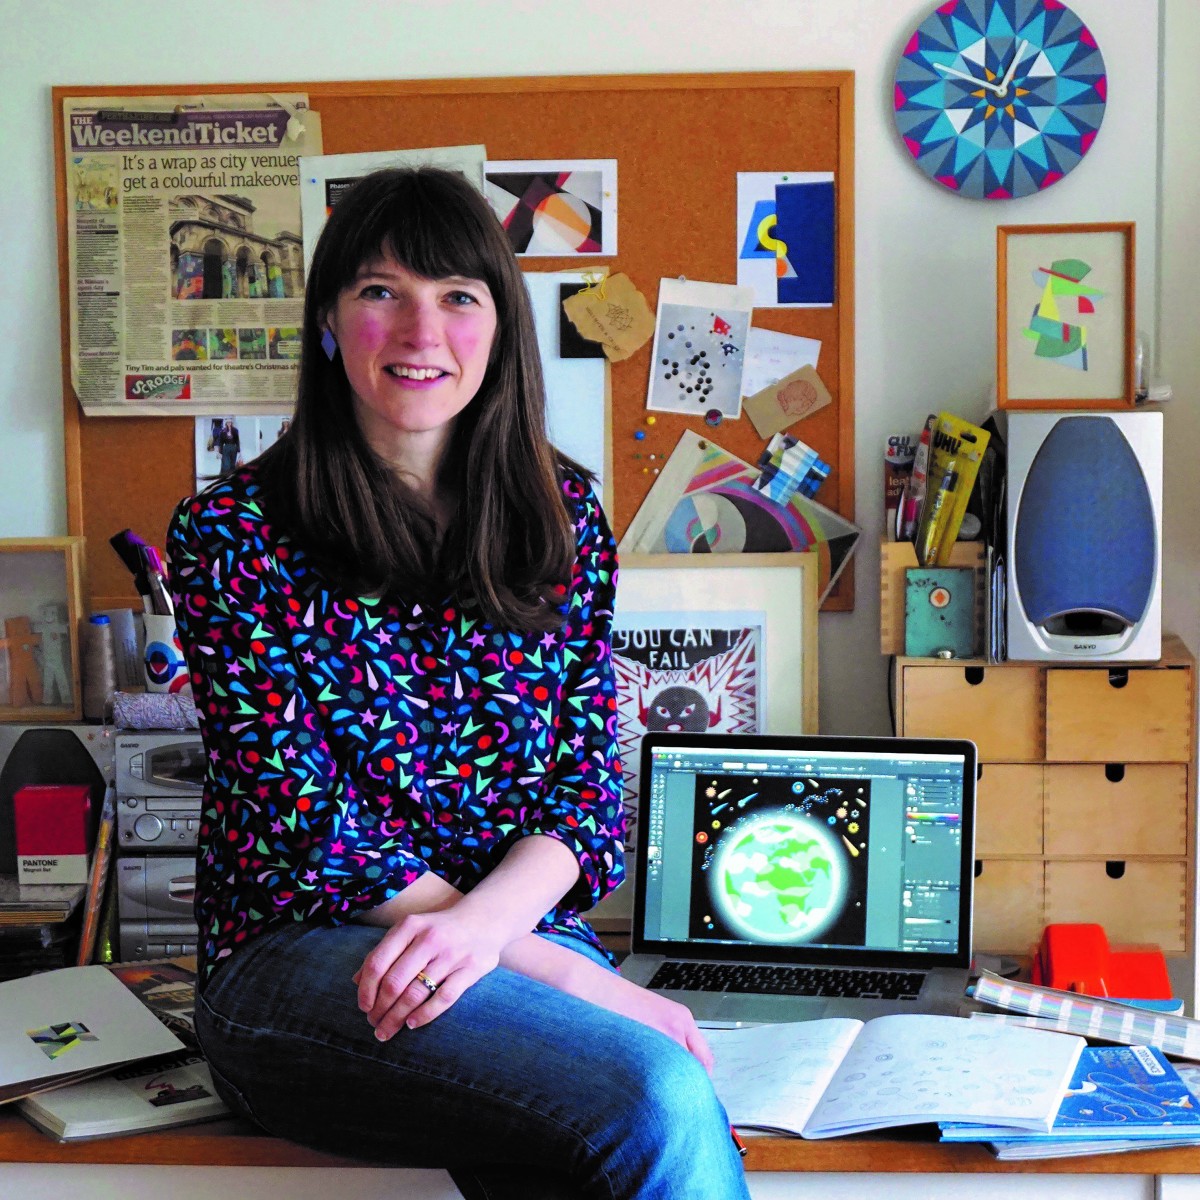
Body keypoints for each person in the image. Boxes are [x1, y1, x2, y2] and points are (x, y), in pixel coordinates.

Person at [167, 166, 749, 1200]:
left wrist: (491, 936)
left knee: (599, 1142)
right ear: (328, 320)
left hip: (508, 946)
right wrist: (556, 968)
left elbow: (585, 792)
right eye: (380, 291)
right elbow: (306, 818)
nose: (420, 331)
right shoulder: (231, 533)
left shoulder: (564, 517)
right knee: (653, 1088)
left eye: (457, 296)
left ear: (501, 326)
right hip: (300, 961)